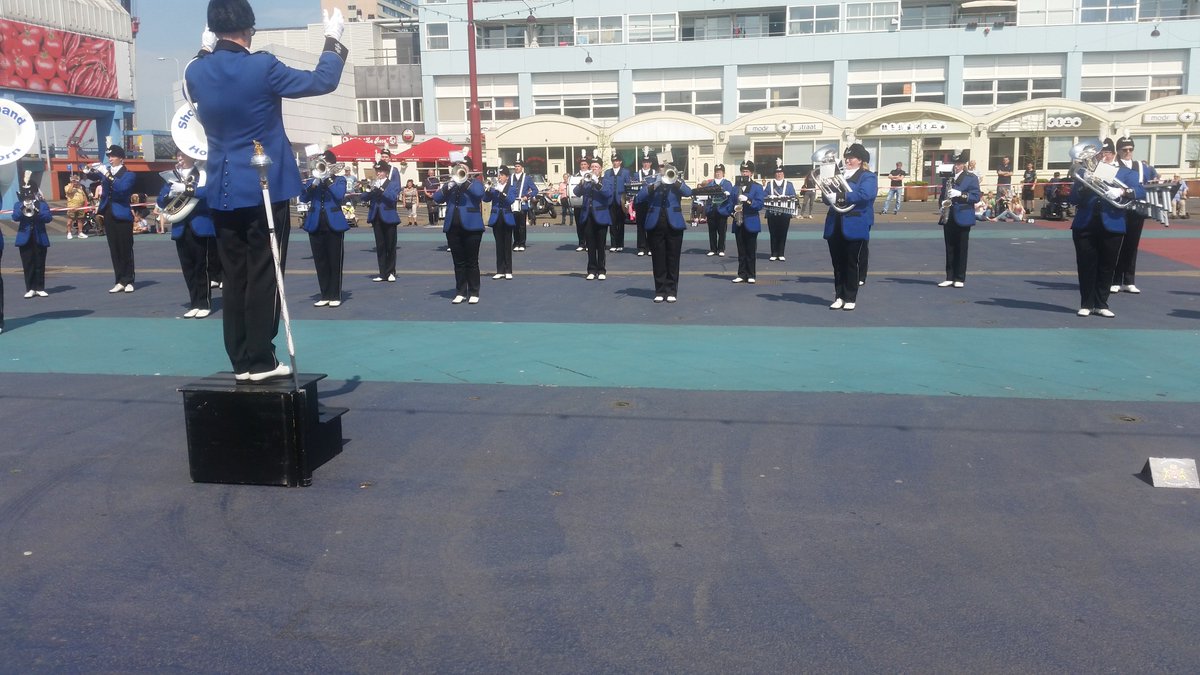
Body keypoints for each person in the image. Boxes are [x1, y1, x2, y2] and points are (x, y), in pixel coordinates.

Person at [186, 0, 348, 382]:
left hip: (222, 189)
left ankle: (241, 358)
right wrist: (333, 40)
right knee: (265, 272)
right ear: (249, 28)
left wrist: (204, 49)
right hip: (262, 185)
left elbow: (202, 64)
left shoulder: (195, 71)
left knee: (234, 275)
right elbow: (322, 81)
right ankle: (261, 358)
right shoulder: (262, 66)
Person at [1068, 137, 1144, 318]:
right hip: (1085, 224)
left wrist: (1122, 191)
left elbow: (1141, 191)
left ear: (1114, 154)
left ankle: (1102, 304)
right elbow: (1073, 199)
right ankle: (1086, 303)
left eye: (1107, 153)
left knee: (1107, 265)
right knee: (1086, 265)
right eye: (1100, 153)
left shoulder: (1126, 173)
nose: (1104, 156)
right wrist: (1083, 186)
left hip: (1112, 224)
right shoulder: (1085, 172)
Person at [158, 151, 216, 318]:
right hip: (180, 226)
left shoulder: (203, 174)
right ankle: (194, 303)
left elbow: (208, 193)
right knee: (187, 267)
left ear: (192, 156)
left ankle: (204, 303)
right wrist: (169, 194)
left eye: (183, 156)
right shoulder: (173, 176)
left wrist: (186, 188)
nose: (180, 159)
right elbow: (160, 201)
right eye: (178, 156)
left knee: (201, 266)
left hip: (200, 224)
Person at [822, 143, 877, 310]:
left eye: (851, 158)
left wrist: (840, 195)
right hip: (835, 223)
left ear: (860, 160)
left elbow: (866, 194)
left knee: (851, 263)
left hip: (854, 224)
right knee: (837, 263)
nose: (847, 160)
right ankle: (839, 296)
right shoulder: (839, 175)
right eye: (846, 157)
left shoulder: (867, 176)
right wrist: (827, 195)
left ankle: (850, 297)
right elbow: (827, 199)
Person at [300, 150, 349, 307]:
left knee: (334, 261)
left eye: (326, 163)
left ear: (332, 165)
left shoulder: (339, 180)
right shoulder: (313, 180)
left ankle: (335, 295)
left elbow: (339, 195)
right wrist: (314, 183)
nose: (323, 166)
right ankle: (325, 294)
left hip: (333, 223)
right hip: (315, 223)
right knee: (320, 261)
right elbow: (303, 197)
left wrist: (327, 178)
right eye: (322, 163)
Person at [636, 167, 692, 302]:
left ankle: (671, 290)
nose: (663, 170)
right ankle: (660, 290)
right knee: (658, 259)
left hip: (674, 224)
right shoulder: (650, 180)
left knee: (673, 258)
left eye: (666, 168)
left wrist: (675, 181)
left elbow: (688, 192)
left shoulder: (676, 181)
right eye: (661, 168)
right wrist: (655, 184)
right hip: (655, 224)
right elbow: (640, 197)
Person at [1111, 136, 1158, 295]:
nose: (1128, 152)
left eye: (1130, 149)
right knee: (1117, 246)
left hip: (1137, 210)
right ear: (1118, 151)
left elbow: (1150, 182)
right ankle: (1115, 280)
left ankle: (1129, 280)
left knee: (1132, 245)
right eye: (1124, 150)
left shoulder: (1142, 166)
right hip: (1118, 210)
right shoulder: (1113, 165)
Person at [433, 164, 485, 303]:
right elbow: (436, 198)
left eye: (463, 169)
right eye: (459, 170)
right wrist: (446, 186)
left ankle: (474, 291)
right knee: (458, 262)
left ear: (468, 171)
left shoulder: (475, 183)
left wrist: (465, 181)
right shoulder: (451, 185)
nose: (460, 172)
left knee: (472, 261)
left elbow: (480, 194)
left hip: (472, 227)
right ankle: (461, 291)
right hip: (452, 227)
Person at [91, 144, 136, 293]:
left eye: (113, 156)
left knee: (125, 248)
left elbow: (122, 189)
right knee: (114, 248)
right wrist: (92, 170)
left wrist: (107, 175)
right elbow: (96, 182)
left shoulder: (129, 174)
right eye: (109, 156)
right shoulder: (107, 172)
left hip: (122, 213)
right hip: (109, 212)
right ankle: (119, 280)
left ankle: (128, 280)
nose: (110, 159)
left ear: (121, 158)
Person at [938, 152, 982, 288]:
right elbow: (942, 195)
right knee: (949, 247)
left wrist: (960, 194)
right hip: (949, 215)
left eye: (958, 164)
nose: (956, 167)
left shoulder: (971, 178)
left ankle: (959, 277)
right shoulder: (947, 178)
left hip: (963, 215)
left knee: (961, 248)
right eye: (954, 164)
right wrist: (941, 206)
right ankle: (949, 276)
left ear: (963, 165)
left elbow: (975, 197)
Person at [574, 155, 614, 280]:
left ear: (601, 169)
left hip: (601, 216)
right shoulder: (586, 180)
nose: (593, 169)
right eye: (592, 167)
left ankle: (601, 270)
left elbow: (608, 194)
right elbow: (576, 192)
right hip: (587, 216)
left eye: (596, 167)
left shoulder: (605, 180)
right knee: (590, 245)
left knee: (601, 245)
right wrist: (581, 183)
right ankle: (591, 269)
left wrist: (597, 182)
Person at [12, 178, 53, 299]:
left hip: (39, 236)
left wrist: (35, 209)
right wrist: (23, 207)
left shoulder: (42, 204)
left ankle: (40, 288)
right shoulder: (18, 205)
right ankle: (30, 288)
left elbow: (48, 218)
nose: (27, 194)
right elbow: (15, 217)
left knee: (40, 263)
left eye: (29, 192)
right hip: (24, 237)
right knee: (27, 263)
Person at [363, 158, 401, 282]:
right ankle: (382, 273)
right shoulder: (374, 183)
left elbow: (393, 198)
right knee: (380, 246)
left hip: (389, 217)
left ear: (386, 172)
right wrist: (368, 189)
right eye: (377, 171)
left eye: (380, 171)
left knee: (390, 245)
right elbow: (363, 198)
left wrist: (382, 190)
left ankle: (391, 272)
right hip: (376, 216)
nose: (378, 173)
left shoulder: (392, 184)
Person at [730, 160, 766, 284]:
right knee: (741, 250)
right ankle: (741, 274)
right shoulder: (735, 187)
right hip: (738, 221)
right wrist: (732, 212)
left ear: (751, 173)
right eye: (742, 171)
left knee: (750, 250)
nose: (744, 173)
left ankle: (751, 274)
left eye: (746, 171)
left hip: (751, 221)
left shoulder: (757, 187)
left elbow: (760, 204)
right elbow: (730, 203)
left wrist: (748, 200)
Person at [485, 167, 518, 280]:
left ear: (507, 177)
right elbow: (485, 199)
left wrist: (502, 193)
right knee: (499, 245)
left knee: (507, 245)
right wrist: (488, 190)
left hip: (507, 217)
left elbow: (511, 200)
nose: (500, 177)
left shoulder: (511, 188)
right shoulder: (494, 187)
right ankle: (500, 270)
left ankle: (508, 270)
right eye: (499, 175)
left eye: (502, 175)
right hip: (496, 217)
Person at [764, 160, 796, 261]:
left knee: (783, 233)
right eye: (777, 173)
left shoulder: (789, 184)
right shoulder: (770, 184)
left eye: (780, 172)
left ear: (783, 174)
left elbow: (793, 196)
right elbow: (764, 196)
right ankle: (774, 253)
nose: (779, 174)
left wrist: (786, 197)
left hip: (785, 213)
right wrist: (770, 196)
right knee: (773, 233)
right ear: (774, 174)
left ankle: (781, 253)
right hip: (772, 213)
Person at [703, 163, 733, 256]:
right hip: (711, 210)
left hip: (722, 210)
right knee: (712, 231)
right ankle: (713, 249)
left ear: (723, 173)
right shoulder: (710, 183)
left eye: (719, 172)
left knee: (722, 231)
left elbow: (730, 197)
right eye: (716, 172)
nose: (718, 174)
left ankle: (721, 249)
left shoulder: (727, 183)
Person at [605, 151, 632, 252]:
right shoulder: (607, 172)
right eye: (613, 161)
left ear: (620, 162)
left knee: (620, 223)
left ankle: (620, 244)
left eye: (617, 160)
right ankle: (613, 244)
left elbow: (628, 187)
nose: (615, 162)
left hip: (621, 200)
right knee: (612, 223)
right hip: (611, 201)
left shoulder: (625, 172)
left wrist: (628, 201)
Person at [510, 158, 538, 251]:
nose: (516, 168)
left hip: (522, 204)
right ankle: (516, 243)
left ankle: (522, 243)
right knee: (514, 225)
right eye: (515, 166)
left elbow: (535, 190)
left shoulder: (527, 177)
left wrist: (527, 196)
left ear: (522, 167)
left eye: (518, 166)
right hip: (513, 204)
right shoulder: (511, 177)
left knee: (522, 225)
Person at [633, 151, 657, 254]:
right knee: (641, 225)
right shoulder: (636, 174)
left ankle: (651, 247)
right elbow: (633, 187)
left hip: (651, 202)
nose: (646, 164)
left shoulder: (655, 173)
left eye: (647, 162)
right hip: (640, 202)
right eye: (644, 162)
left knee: (651, 225)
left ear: (651, 163)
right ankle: (641, 247)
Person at [572, 153, 590, 251]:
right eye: (582, 164)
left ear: (588, 165)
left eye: (585, 164)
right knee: (579, 224)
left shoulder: (591, 175)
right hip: (578, 203)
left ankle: (588, 243)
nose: (583, 166)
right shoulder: (575, 175)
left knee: (588, 224)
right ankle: (581, 243)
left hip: (588, 203)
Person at [64, 173, 89, 239]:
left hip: (80, 206)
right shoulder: (67, 186)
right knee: (70, 219)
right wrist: (72, 184)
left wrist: (86, 202)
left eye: (77, 180)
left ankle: (80, 232)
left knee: (80, 219)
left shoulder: (80, 188)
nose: (76, 182)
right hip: (72, 206)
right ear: (71, 181)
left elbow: (84, 195)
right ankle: (69, 233)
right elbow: (69, 192)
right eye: (74, 180)